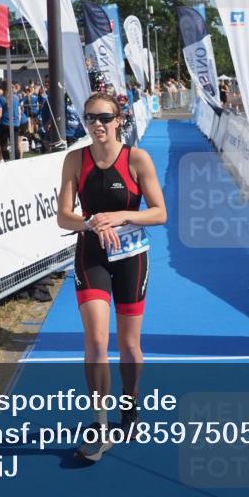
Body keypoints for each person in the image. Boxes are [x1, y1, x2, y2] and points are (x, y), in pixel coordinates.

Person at [57, 92, 167, 462]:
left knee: (130, 346)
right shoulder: (76, 160)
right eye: (90, 118)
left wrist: (121, 217)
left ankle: (130, 405)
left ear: (119, 120)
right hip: (91, 255)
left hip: (131, 258)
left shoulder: (136, 159)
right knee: (96, 342)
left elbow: (159, 212)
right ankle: (100, 426)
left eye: (104, 117)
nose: (97, 125)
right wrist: (89, 222)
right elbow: (63, 216)